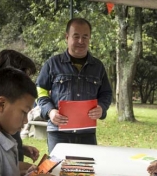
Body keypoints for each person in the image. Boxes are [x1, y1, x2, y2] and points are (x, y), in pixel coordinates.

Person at [36, 18, 112, 153]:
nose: (81, 41)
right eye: (76, 36)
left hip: (87, 133)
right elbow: (39, 91)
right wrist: (50, 111)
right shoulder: (52, 64)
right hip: (58, 132)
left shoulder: (98, 67)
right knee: (58, 170)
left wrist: (102, 107)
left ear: (90, 38)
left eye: (85, 37)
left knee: (88, 171)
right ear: (67, 37)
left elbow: (106, 93)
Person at [0, 49, 39, 162]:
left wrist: (20, 149)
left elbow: (1, 143)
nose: (27, 82)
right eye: (25, 77)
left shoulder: (7, 109)